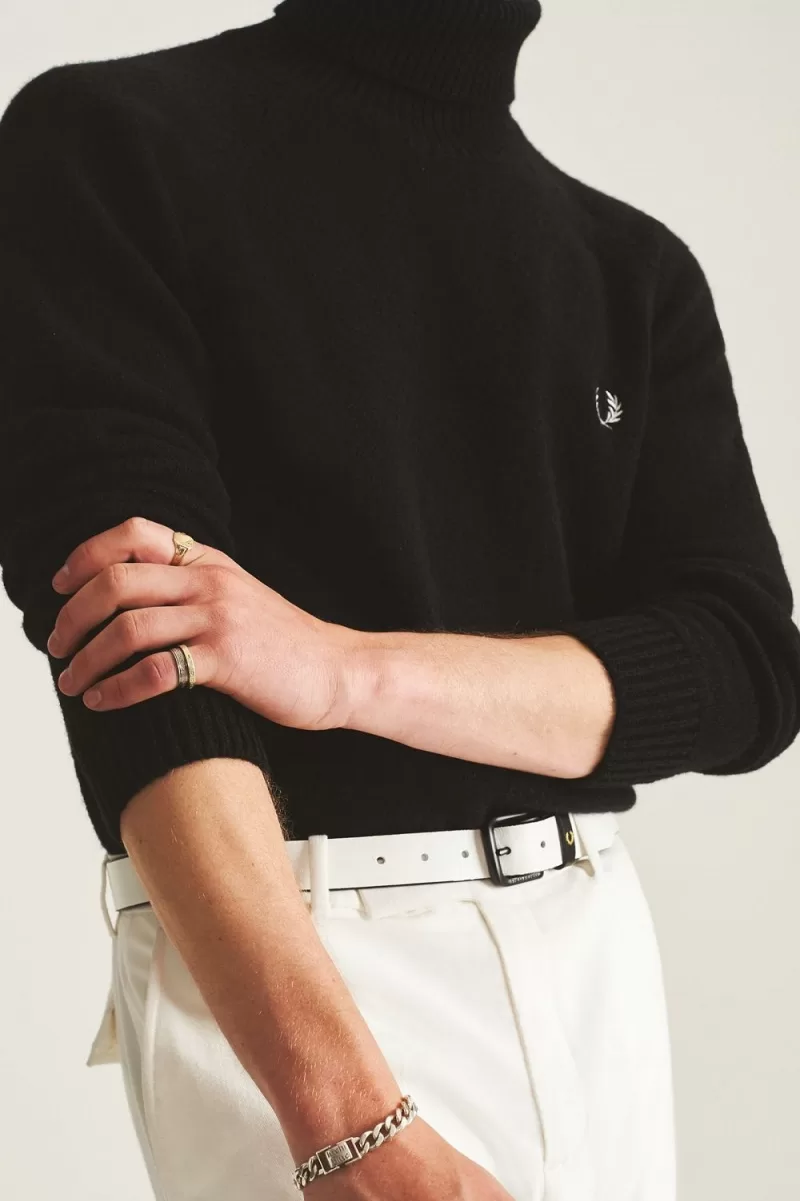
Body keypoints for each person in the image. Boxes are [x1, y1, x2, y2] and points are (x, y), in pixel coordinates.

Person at [1, 2, 798, 1199]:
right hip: (311, 962)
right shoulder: (109, 140)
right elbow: (142, 666)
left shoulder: (630, 268)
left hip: (590, 946)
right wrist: (348, 1119)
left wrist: (342, 669)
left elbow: (743, 667)